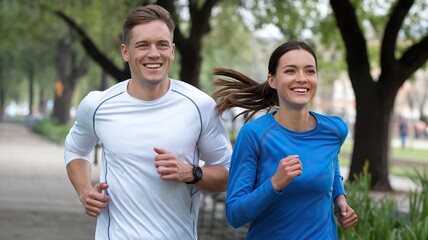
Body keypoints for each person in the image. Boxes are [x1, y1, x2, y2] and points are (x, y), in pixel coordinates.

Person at [64, 4, 231, 239]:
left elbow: (229, 172)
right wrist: (84, 191)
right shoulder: (97, 105)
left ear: (172, 51)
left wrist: (193, 173)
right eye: (143, 45)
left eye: (162, 44)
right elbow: (75, 150)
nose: (154, 53)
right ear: (125, 52)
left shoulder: (199, 106)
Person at [211, 41, 358, 239]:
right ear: (272, 80)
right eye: (290, 71)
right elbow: (235, 215)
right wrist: (274, 184)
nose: (301, 79)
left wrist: (340, 198)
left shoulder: (334, 130)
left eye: (309, 71)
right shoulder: (254, 134)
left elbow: (331, 159)